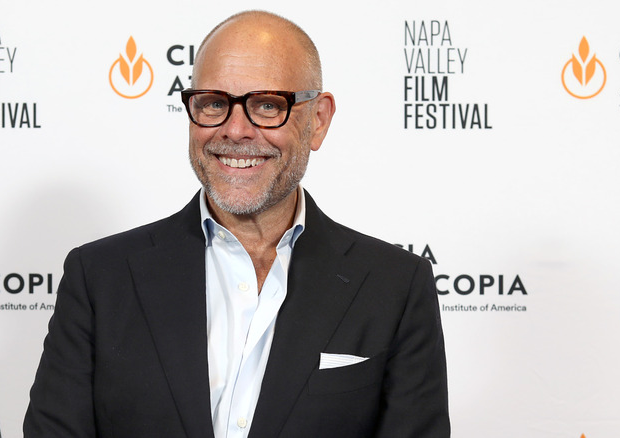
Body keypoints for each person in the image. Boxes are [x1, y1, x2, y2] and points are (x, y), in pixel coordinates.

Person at [24, 10, 449, 438]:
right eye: (214, 103)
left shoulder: (395, 286)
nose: (236, 130)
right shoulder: (100, 278)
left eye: (268, 105)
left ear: (318, 120)